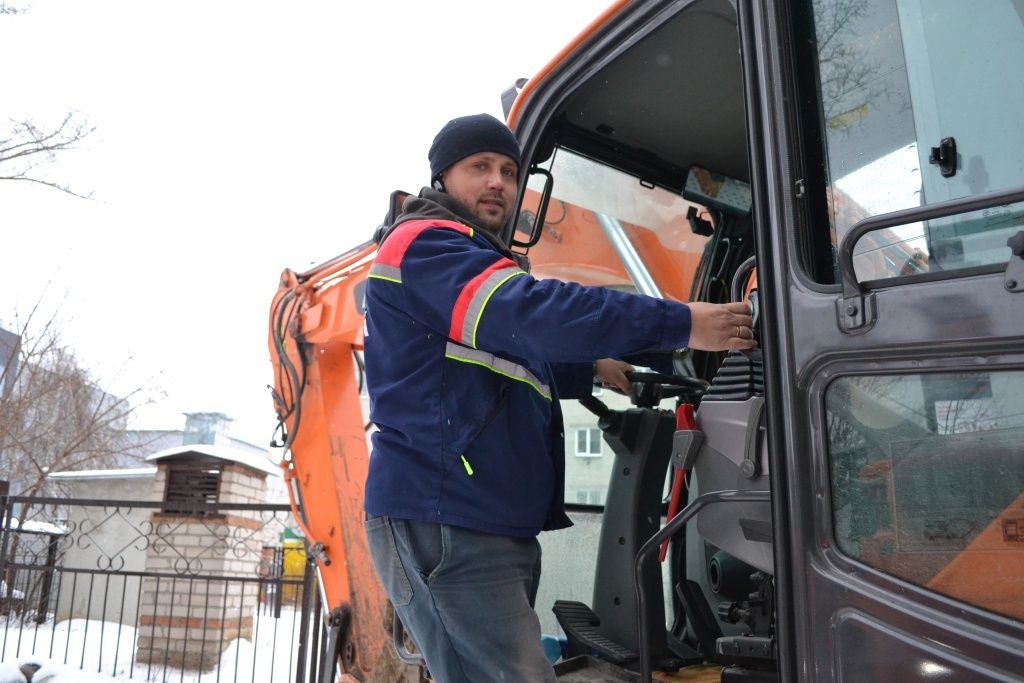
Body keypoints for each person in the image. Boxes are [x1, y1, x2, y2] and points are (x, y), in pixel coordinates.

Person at [362, 113, 754, 682]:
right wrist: (682, 323)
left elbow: (493, 359)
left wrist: (589, 367)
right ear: (442, 177)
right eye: (479, 167)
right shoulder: (425, 246)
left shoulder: (475, 259)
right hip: (444, 515)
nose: (497, 180)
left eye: (508, 170)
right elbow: (530, 316)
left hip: (482, 516)